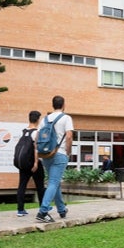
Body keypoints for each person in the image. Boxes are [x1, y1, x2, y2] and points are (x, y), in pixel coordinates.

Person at [36, 95, 74, 223]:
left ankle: (62, 210)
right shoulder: (66, 118)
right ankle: (43, 211)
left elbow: (38, 137)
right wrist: (68, 152)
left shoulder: (45, 119)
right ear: (63, 105)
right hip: (60, 153)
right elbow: (69, 136)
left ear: (53, 105)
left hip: (47, 154)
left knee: (55, 182)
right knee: (53, 182)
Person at [16, 110, 46, 217]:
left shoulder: (22, 131)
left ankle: (20, 209)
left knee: (22, 185)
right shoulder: (36, 132)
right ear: (38, 120)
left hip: (23, 163)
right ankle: (43, 207)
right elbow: (36, 149)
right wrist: (36, 163)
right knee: (40, 185)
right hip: (33, 163)